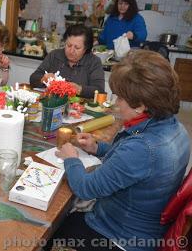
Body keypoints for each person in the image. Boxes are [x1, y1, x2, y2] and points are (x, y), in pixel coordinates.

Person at [46, 50, 190, 251]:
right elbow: (134, 165)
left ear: (140, 105)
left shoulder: (143, 149)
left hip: (119, 238)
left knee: (49, 225)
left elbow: (85, 188)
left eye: (120, 97)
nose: (116, 103)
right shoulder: (176, 129)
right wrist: (97, 147)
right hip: (145, 229)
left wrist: (71, 158)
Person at [29, 24, 104, 98]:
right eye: (69, 45)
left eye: (77, 48)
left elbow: (99, 90)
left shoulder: (94, 62)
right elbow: (33, 78)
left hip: (78, 107)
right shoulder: (54, 55)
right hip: (52, 102)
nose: (71, 51)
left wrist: (79, 89)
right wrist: (43, 79)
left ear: (86, 48)